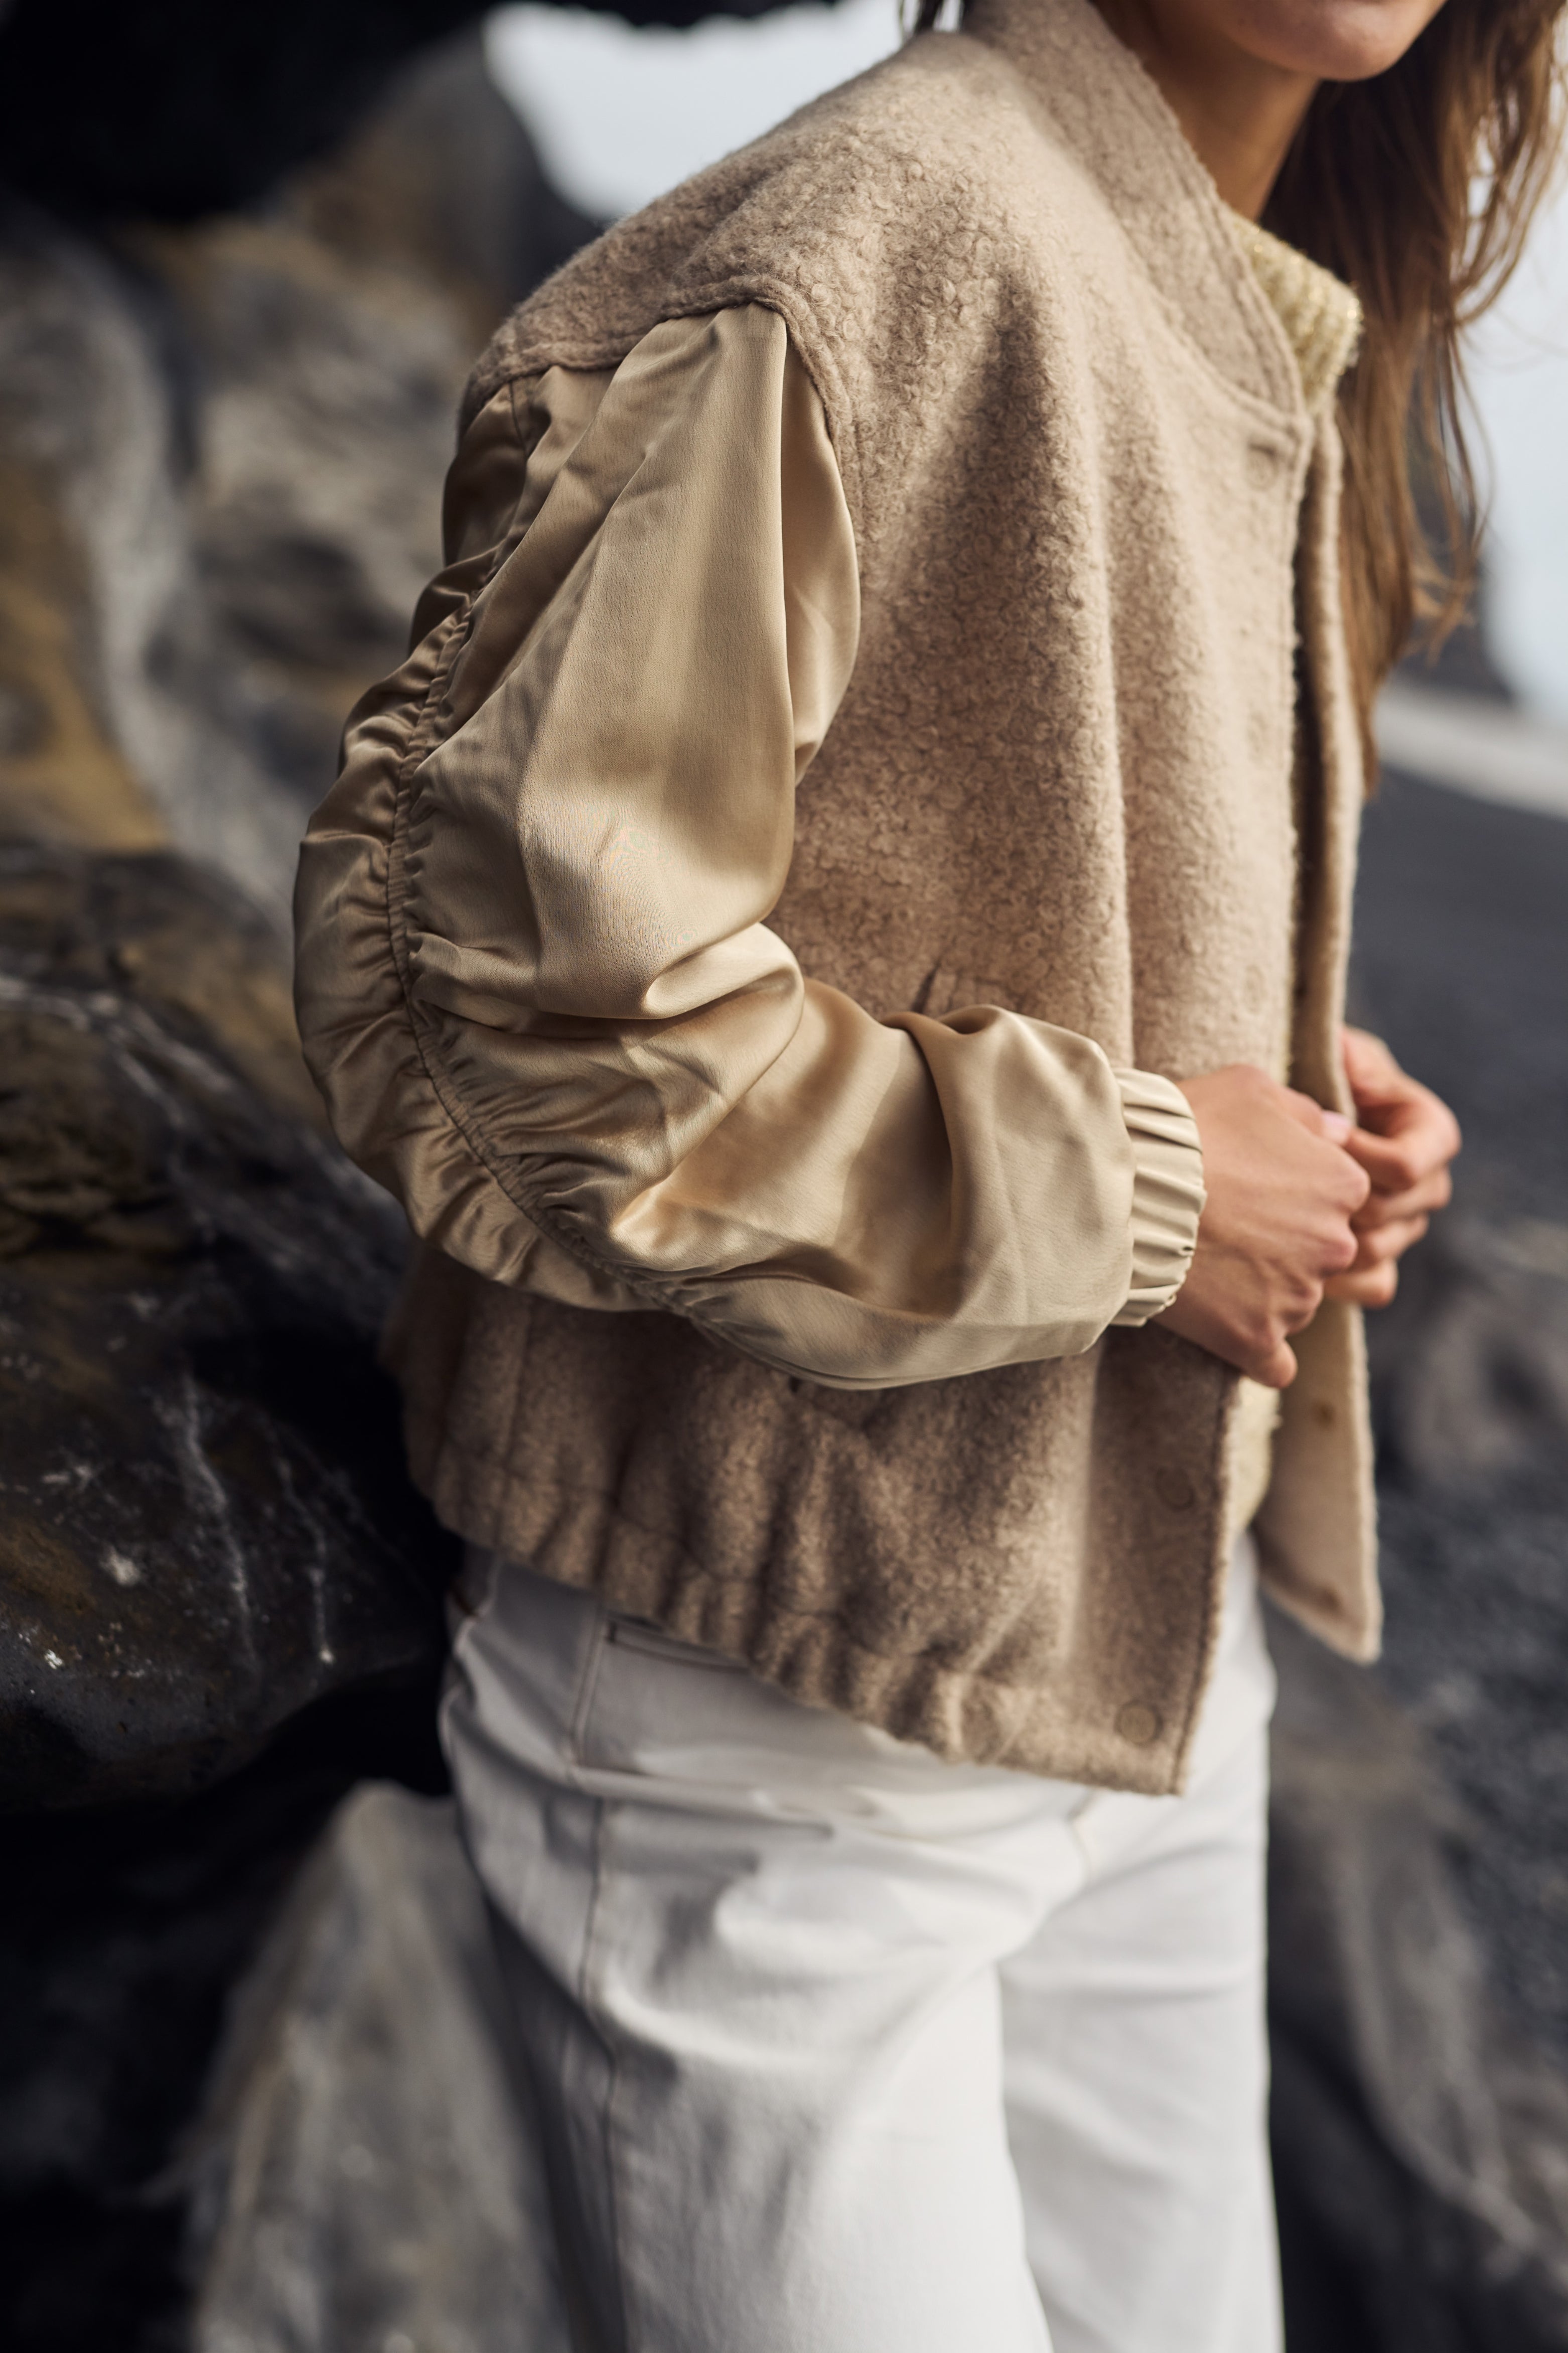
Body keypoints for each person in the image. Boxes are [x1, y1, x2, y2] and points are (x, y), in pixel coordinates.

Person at [293, 1, 1560, 2344]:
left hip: (1134, 1655)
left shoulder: (1235, 281)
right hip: (775, 1710)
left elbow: (958, 860)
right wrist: (1154, 1192)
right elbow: (502, 996)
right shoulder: (885, 225)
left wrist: (1285, 1090)